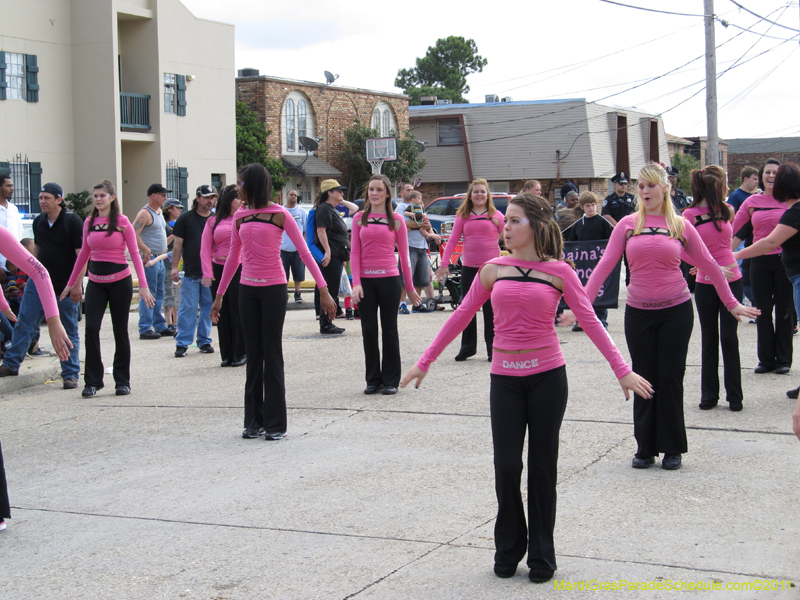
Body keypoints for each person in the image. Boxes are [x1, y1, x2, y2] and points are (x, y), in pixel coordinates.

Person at [401, 194, 652, 584]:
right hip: (505, 380)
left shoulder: (559, 271)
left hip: (548, 379)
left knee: (542, 468)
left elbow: (590, 320)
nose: (507, 227)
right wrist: (425, 360)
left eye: (515, 221)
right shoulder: (492, 270)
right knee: (506, 466)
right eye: (507, 221)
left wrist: (622, 370)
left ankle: (541, 554)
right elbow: (462, 315)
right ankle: (508, 548)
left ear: (535, 225)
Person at [585, 163, 758, 471]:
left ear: (665, 188)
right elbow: (604, 267)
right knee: (643, 376)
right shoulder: (627, 225)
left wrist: (731, 303)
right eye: (641, 186)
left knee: (670, 377)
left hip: (676, 312)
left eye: (651, 185)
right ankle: (645, 447)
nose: (644, 191)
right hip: (638, 313)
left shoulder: (680, 225)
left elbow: (708, 264)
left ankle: (672, 447)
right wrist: (581, 305)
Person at [211, 164, 336, 440]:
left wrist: (323, 289)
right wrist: (219, 296)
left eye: (241, 183)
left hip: (274, 289)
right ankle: (253, 421)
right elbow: (233, 258)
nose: (238, 188)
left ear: (254, 184)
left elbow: (304, 252)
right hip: (247, 290)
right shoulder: (240, 216)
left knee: (271, 352)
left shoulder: (280, 214)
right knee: (253, 354)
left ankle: (276, 423)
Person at [62, 180, 154, 397]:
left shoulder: (122, 222)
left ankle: (122, 381)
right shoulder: (89, 222)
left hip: (120, 282)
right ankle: (93, 381)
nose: (98, 199)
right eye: (95, 196)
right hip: (96, 282)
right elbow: (83, 255)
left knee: (120, 331)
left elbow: (134, 253)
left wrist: (143, 285)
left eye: (102, 195)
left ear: (112, 198)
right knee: (91, 328)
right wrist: (71, 283)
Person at [0, 183, 84, 388]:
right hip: (37, 283)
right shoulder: (39, 221)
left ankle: (70, 373)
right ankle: (11, 363)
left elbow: (81, 256)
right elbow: (35, 251)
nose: (42, 202)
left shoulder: (72, 221)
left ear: (59, 200)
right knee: (24, 322)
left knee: (67, 328)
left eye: (47, 198)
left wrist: (77, 285)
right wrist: (28, 273)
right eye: (40, 198)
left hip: (65, 284)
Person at [733, 163, 800, 401]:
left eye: (776, 175)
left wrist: (736, 256)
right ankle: (766, 359)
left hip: (790, 270)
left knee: (785, 312)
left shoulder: (794, 210)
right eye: (768, 173)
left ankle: (783, 360)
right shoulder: (754, 202)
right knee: (761, 310)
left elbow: (771, 242)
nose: (771, 177)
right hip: (764, 265)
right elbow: (737, 231)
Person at [351, 174, 420, 396]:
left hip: (390, 281)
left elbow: (405, 256)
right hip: (366, 283)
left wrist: (409, 287)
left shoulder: (397, 220)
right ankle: (373, 379)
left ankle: (391, 380)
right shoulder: (359, 218)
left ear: (387, 193)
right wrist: (356, 283)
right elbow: (354, 253)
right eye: (371, 189)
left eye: (379, 189)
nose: (375, 193)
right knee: (369, 330)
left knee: (389, 330)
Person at [683, 166, 744, 411]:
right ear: (713, 187)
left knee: (729, 338)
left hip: (733, 279)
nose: (727, 187)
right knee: (709, 339)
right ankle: (709, 395)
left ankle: (735, 396)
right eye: (724, 183)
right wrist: (703, 265)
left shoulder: (728, 209)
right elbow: (681, 248)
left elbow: (726, 244)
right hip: (706, 283)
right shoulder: (689, 215)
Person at [435, 178, 504, 361]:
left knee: (491, 310)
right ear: (470, 195)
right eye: (476, 191)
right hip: (469, 268)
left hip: (491, 269)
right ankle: (467, 348)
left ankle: (493, 349)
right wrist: (444, 264)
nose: (479, 194)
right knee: (467, 309)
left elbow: (510, 237)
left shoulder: (496, 215)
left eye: (482, 191)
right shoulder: (463, 216)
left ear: (487, 195)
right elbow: (452, 240)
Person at [201, 185, 246, 367]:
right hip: (218, 267)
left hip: (240, 269)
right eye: (237, 198)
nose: (241, 201)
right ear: (228, 200)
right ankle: (227, 354)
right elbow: (205, 248)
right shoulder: (213, 221)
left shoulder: (244, 217)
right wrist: (207, 272)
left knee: (237, 310)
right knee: (221, 312)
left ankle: (240, 352)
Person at [172, 185, 217, 358]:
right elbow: (177, 245)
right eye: (206, 197)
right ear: (197, 198)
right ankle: (182, 343)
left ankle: (204, 340)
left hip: (210, 273)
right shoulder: (185, 218)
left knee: (207, 308)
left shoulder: (215, 219)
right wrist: (174, 267)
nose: (210, 201)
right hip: (191, 272)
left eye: (212, 197)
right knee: (188, 308)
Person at [562, 191, 614, 330]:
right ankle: (581, 320)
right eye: (587, 206)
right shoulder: (579, 224)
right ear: (582, 207)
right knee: (582, 292)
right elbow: (572, 244)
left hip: (599, 263)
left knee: (599, 291)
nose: (591, 208)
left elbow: (610, 242)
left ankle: (601, 319)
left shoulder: (603, 222)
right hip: (583, 265)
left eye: (593, 205)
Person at [133, 183, 171, 340]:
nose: (165, 198)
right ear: (153, 196)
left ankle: (159, 325)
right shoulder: (145, 213)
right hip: (150, 259)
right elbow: (133, 233)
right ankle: (145, 327)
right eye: (163, 195)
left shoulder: (159, 212)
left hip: (159, 259)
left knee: (159, 293)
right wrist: (146, 250)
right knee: (148, 293)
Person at [314, 179, 350, 334]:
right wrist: (327, 251)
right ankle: (326, 324)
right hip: (331, 255)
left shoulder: (332, 209)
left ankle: (328, 321)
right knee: (330, 290)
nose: (342, 193)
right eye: (338, 191)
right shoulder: (324, 208)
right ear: (329, 193)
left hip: (337, 255)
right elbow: (321, 230)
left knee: (333, 289)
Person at [397, 187, 441, 314]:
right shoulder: (401, 207)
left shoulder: (420, 207)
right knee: (405, 278)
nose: (410, 191)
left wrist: (428, 228)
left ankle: (417, 304)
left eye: (412, 189)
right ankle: (402, 304)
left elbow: (427, 223)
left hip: (422, 246)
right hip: (409, 246)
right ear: (401, 192)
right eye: (407, 189)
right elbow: (404, 224)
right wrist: (421, 224)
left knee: (420, 278)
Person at [281, 190, 308, 304]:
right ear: (286, 196)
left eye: (295, 195)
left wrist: (304, 245)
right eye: (291, 195)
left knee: (298, 273)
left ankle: (297, 293)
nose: (293, 197)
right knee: (283, 274)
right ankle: (284, 294)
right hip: (283, 249)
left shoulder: (302, 212)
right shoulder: (281, 211)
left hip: (297, 249)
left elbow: (305, 230)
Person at [161, 198, 183, 335]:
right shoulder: (163, 224)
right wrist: (175, 233)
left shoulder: (178, 223)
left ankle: (176, 322)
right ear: (169, 209)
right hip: (166, 261)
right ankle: (169, 322)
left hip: (178, 261)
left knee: (176, 292)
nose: (180, 210)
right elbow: (163, 244)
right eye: (177, 207)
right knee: (168, 292)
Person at [0, 174, 23, 283]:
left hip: (16, 268)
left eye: (12, 185)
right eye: (8, 186)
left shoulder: (14, 209)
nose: (12, 189)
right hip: (2, 270)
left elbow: (19, 236)